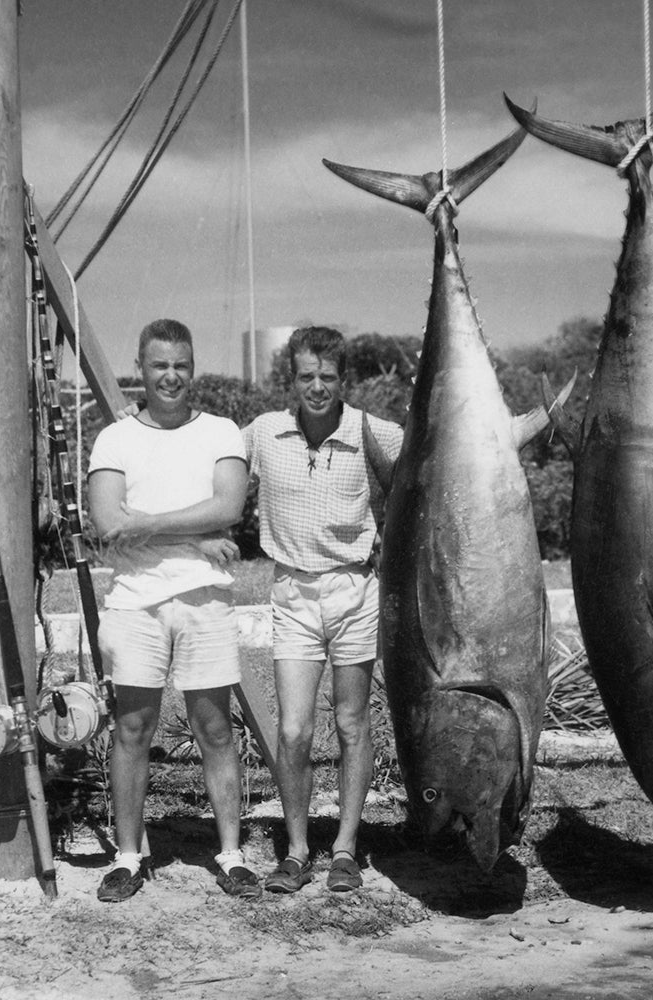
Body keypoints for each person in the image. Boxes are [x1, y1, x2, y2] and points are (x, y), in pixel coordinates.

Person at [87, 318, 260, 902]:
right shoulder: (115, 439)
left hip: (204, 602)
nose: (171, 375)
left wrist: (151, 528)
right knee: (132, 729)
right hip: (135, 606)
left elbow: (229, 504)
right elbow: (109, 524)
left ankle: (231, 854)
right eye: (159, 365)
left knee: (215, 728)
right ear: (141, 367)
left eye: (181, 364)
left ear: (194, 366)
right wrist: (194, 536)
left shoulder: (219, 431)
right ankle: (130, 856)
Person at [242, 325, 403, 893]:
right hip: (292, 595)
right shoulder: (263, 433)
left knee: (352, 722)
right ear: (291, 378)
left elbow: (424, 473)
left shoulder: (369, 431)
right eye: (306, 376)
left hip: (355, 593)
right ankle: (296, 849)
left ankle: (345, 849)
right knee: (293, 731)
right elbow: (215, 471)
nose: (317, 387)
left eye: (328, 377)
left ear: (344, 380)